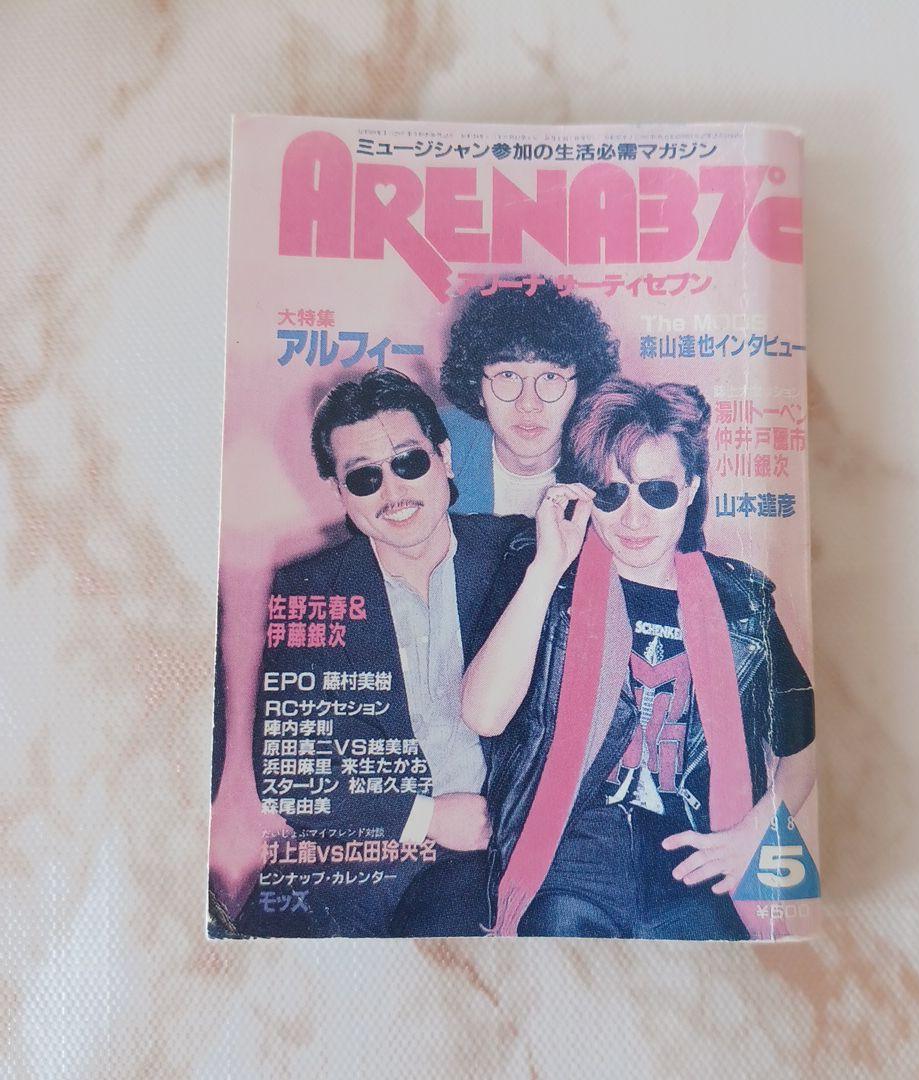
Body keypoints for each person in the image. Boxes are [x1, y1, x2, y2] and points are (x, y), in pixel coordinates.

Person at [463, 378, 816, 940]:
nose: (633, 518)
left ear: (690, 488)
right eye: (611, 493)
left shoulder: (743, 602)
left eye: (657, 492)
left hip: (696, 859)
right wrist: (547, 568)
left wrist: (753, 833)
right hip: (567, 856)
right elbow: (484, 715)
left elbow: (805, 751)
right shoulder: (542, 573)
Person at [238, 368, 531, 938]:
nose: (393, 492)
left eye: (409, 462)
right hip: (358, 854)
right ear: (340, 492)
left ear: (445, 458)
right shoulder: (308, 589)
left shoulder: (518, 551)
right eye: (364, 477)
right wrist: (426, 817)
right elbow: (285, 769)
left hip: (490, 850)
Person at [439, 278, 620, 516]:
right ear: (477, 388)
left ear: (580, 389)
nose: (528, 404)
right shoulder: (438, 444)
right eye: (507, 375)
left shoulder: (610, 462)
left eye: (551, 377)